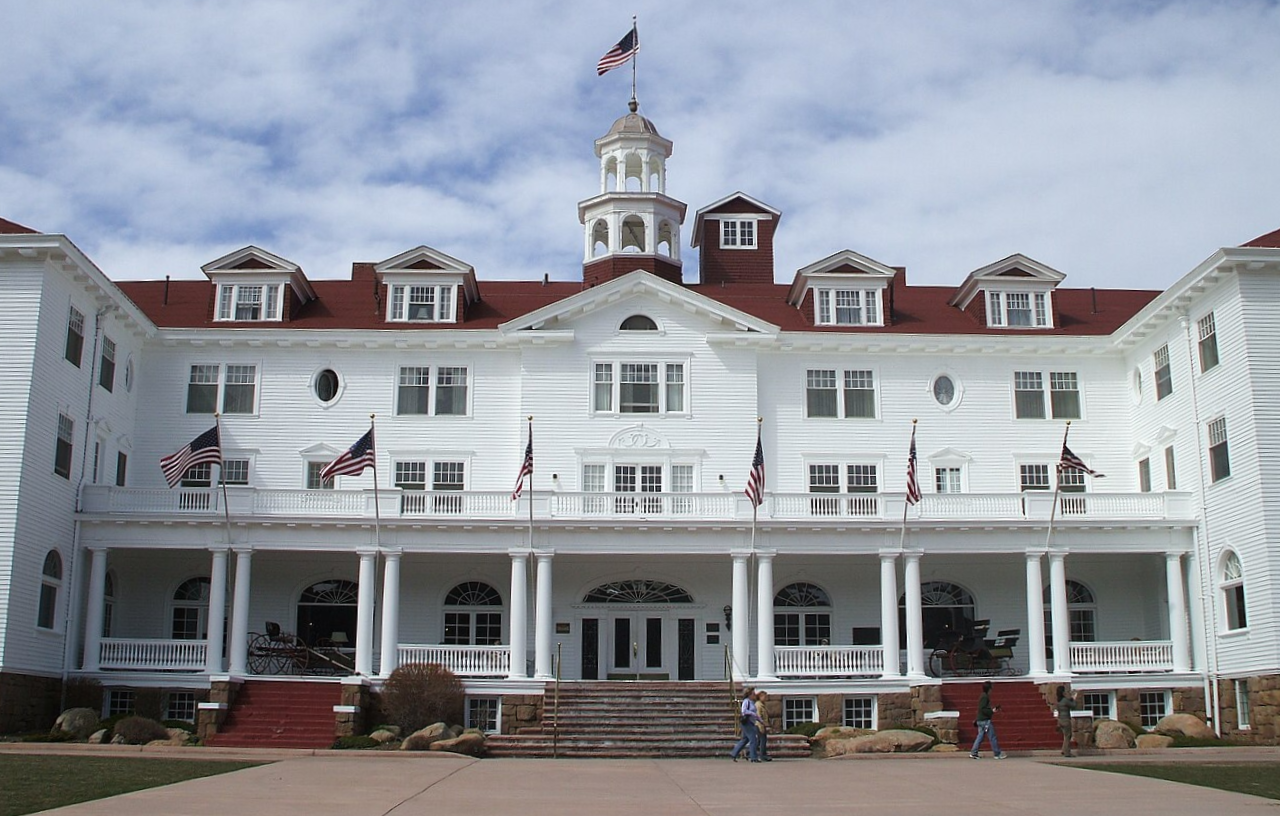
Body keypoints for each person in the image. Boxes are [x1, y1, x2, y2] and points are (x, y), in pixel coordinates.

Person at [969, 680, 1006, 759]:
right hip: (985, 721)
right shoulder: (984, 697)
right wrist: (991, 711)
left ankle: (974, 752)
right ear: (989, 689)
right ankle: (997, 753)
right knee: (992, 736)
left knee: (980, 737)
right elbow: (982, 709)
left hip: (981, 720)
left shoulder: (983, 696)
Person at [729, 687, 762, 762]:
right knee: (753, 740)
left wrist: (760, 720)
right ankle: (753, 757)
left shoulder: (752, 702)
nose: (755, 695)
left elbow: (755, 715)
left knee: (745, 739)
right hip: (747, 722)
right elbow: (744, 711)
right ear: (749, 694)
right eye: (753, 694)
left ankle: (734, 753)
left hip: (751, 722)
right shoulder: (746, 701)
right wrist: (752, 713)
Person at [1055, 684, 1080, 757]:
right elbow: (1073, 706)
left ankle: (1064, 750)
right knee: (1068, 736)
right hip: (1066, 720)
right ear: (1063, 692)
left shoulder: (1058, 701)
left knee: (1065, 736)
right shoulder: (1065, 700)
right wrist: (1074, 698)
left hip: (1060, 719)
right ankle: (1067, 752)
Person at [755, 690, 773, 761]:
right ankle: (762, 755)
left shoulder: (762, 704)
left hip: (762, 724)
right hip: (759, 725)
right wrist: (761, 726)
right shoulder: (758, 705)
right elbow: (758, 716)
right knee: (762, 740)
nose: (766, 698)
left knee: (759, 741)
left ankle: (750, 753)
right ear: (760, 697)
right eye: (765, 696)